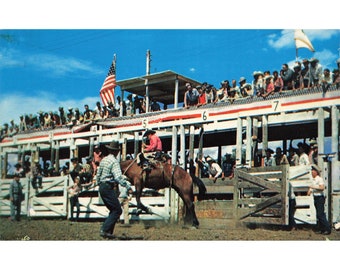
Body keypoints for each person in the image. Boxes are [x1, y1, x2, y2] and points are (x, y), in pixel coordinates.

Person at [96, 140, 133, 239]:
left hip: (102, 187)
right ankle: (104, 229)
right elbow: (118, 177)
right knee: (117, 210)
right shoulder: (114, 162)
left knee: (113, 210)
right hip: (108, 186)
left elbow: (98, 175)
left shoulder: (104, 160)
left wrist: (99, 183)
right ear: (117, 151)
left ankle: (109, 232)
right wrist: (128, 187)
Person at [307, 165, 332, 235]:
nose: (311, 172)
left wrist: (312, 187)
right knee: (318, 214)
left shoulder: (319, 179)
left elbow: (322, 187)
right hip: (316, 197)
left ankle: (327, 228)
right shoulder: (313, 180)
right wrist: (310, 190)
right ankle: (322, 229)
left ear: (316, 172)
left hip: (320, 198)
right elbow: (310, 190)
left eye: (313, 171)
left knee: (320, 214)